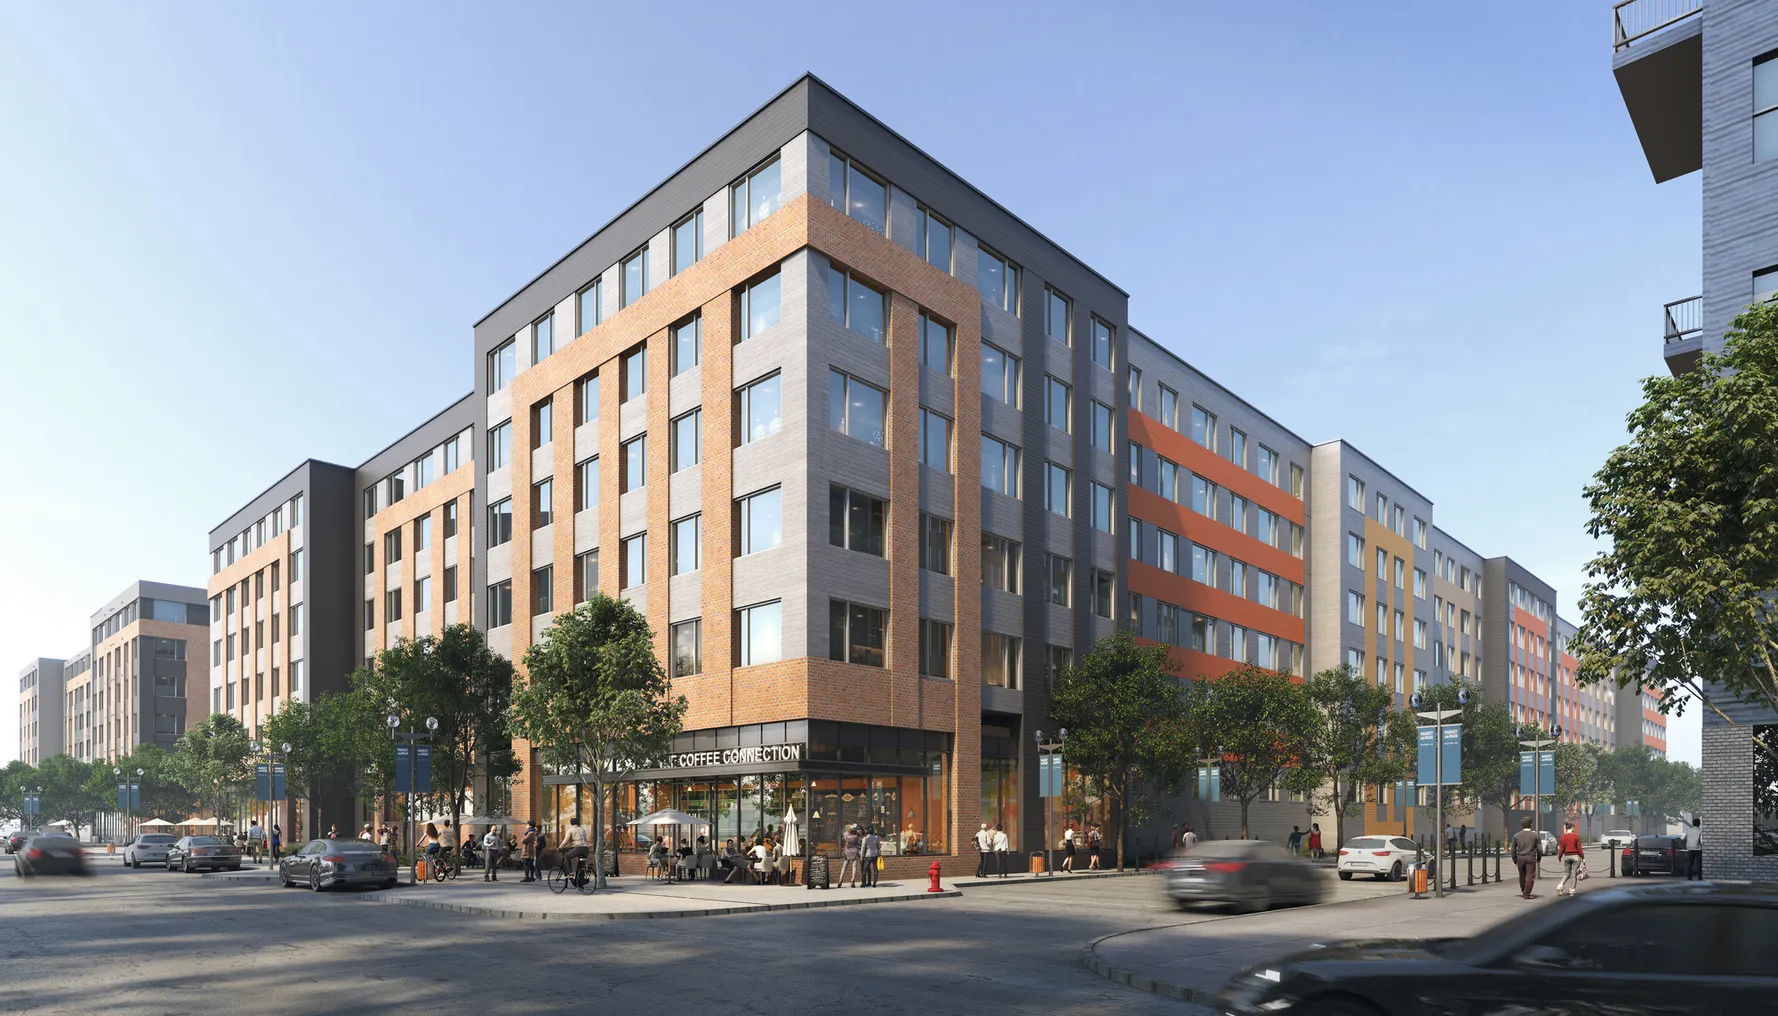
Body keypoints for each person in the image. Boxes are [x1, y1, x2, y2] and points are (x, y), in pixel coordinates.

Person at [1511, 817, 1541, 898]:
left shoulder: (1516, 836)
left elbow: (1513, 849)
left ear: (1522, 825)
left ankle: (1523, 890)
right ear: (1531, 825)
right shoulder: (1535, 836)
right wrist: (1539, 858)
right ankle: (1527, 893)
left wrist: (1514, 860)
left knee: (1522, 875)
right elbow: (1539, 849)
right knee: (1530, 876)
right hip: (1531, 857)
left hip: (1520, 858)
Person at [1555, 820, 1585, 897]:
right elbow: (1579, 848)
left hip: (1567, 857)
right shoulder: (1576, 837)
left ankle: (1560, 885)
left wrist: (1559, 858)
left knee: (1567, 873)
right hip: (1576, 856)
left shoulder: (1562, 837)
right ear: (1571, 828)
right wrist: (1583, 857)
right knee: (1574, 874)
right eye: (1573, 828)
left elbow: (1561, 849)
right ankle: (1572, 891)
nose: (1574, 830)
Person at [562, 817, 590, 886]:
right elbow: (584, 840)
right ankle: (580, 881)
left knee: (566, 857)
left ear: (571, 823)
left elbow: (565, 841)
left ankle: (571, 873)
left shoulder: (570, 830)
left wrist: (560, 847)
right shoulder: (583, 830)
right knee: (581, 866)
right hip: (586, 849)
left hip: (578, 848)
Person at [1685, 815, 1703, 880]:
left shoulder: (1688, 830)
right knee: (1698, 864)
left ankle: (1689, 877)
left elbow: (1682, 838)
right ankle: (1699, 877)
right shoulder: (1700, 831)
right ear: (1699, 824)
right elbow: (1702, 841)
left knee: (1690, 863)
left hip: (1690, 849)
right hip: (1698, 849)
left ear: (1693, 823)